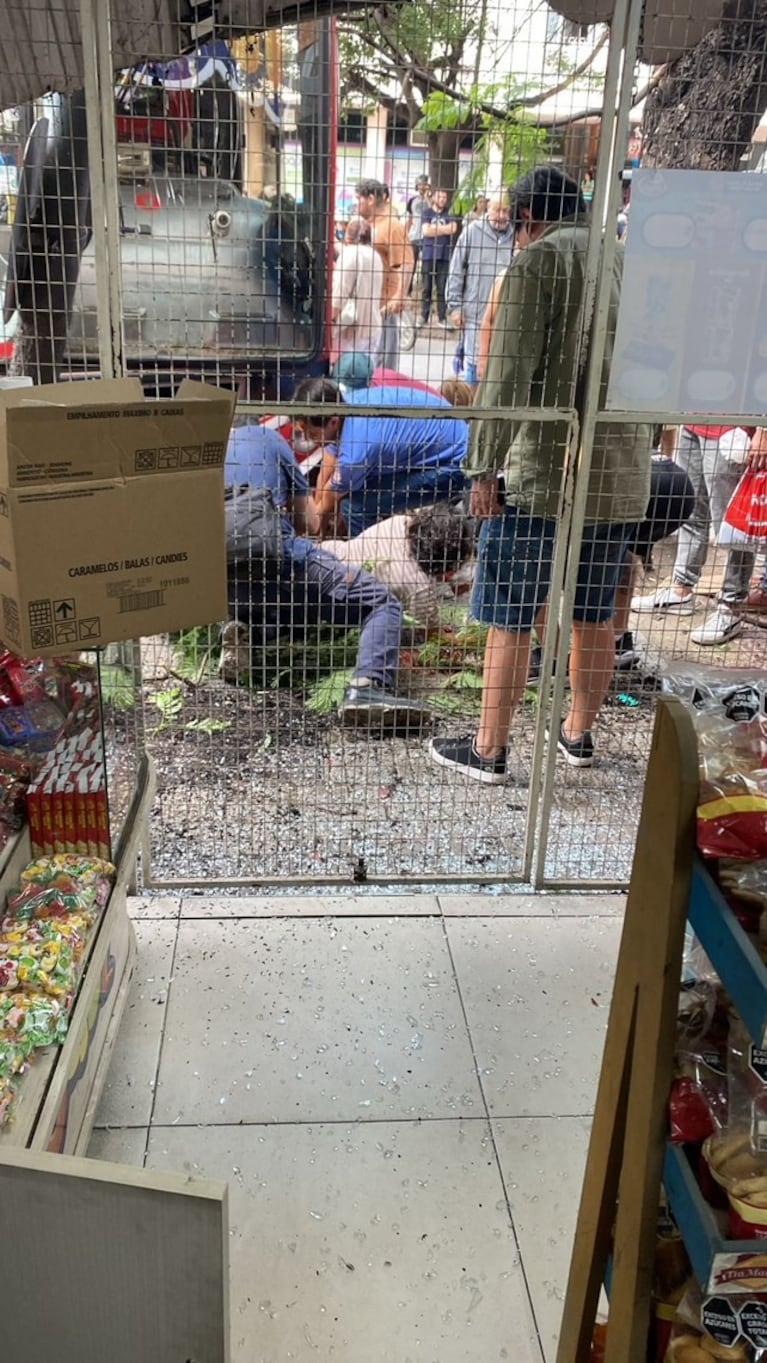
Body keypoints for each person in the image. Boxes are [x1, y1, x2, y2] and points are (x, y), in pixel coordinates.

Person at [428, 164, 651, 782]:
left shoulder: (538, 263)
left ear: (527, 218)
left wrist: (481, 467)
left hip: (544, 476)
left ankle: (489, 747)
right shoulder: (628, 259)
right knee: (594, 611)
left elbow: (506, 378)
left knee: (511, 611)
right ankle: (578, 735)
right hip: (617, 473)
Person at [220, 422, 428, 730]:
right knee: (381, 604)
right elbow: (311, 523)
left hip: (224, 576)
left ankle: (246, 632)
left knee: (277, 603)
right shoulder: (270, 439)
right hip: (283, 557)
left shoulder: (205, 452)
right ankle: (368, 687)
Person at [294, 375, 468, 538]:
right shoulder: (343, 405)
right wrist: (320, 530)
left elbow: (331, 496)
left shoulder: (356, 453)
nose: (310, 440)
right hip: (442, 438)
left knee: (354, 506)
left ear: (333, 421)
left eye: (313, 434)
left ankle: (366, 562)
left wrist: (313, 534)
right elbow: (326, 471)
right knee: (354, 489)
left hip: (454, 464)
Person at [631, 423, 756, 644]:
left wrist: (763, 432)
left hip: (732, 429)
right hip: (694, 422)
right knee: (691, 513)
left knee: (731, 526)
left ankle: (731, 607)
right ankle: (681, 590)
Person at [321, 502, 474, 631]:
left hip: (324, 554)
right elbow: (431, 632)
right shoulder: (418, 586)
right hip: (336, 602)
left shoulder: (400, 522)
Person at [446, 194, 515, 386]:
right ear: (487, 208)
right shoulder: (471, 232)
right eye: (496, 210)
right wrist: (455, 306)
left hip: (504, 317)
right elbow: (456, 270)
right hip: (475, 314)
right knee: (475, 371)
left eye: (505, 211)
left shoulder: (516, 235)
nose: (501, 216)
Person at [355, 178, 413, 371]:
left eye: (359, 199)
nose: (357, 204)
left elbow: (406, 262)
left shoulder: (392, 225)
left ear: (370, 199)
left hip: (383, 310)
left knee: (381, 368)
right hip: (365, 308)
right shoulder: (367, 224)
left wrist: (399, 296)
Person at [330, 216, 383, 362]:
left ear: (348, 237)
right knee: (365, 377)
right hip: (373, 329)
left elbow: (339, 297)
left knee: (346, 377)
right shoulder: (375, 256)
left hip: (352, 332)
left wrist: (330, 326)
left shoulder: (349, 255)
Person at [418, 189, 459, 329]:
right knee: (427, 288)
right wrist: (443, 228)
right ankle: (424, 316)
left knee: (442, 288)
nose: (442, 199)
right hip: (429, 255)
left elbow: (453, 229)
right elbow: (425, 231)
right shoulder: (427, 213)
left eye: (444, 197)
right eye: (440, 196)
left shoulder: (450, 213)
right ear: (434, 197)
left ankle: (442, 318)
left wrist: (434, 228)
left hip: (444, 255)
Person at [405, 175, 430, 290]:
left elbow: (433, 211)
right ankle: (408, 289)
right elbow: (410, 219)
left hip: (427, 236)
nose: (422, 187)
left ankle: (426, 289)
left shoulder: (431, 200)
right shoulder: (412, 201)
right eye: (420, 184)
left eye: (424, 184)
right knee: (411, 264)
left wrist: (427, 197)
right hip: (414, 236)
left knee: (426, 266)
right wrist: (405, 233)